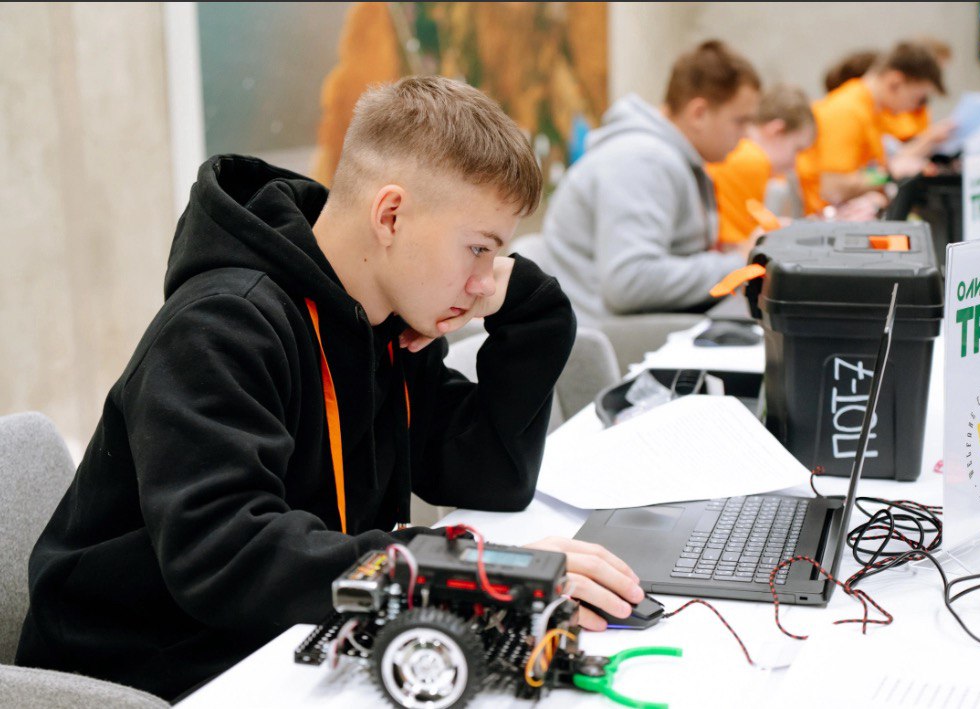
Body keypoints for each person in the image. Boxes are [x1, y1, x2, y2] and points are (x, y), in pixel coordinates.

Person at [15, 77, 644, 701]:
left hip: (284, 639)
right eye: (478, 248)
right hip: (145, 674)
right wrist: (476, 575)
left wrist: (533, 310)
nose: (485, 280)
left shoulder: (385, 322)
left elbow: (491, 476)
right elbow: (227, 555)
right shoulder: (220, 327)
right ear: (390, 215)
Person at [538, 39, 761, 326]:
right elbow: (629, 282)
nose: (747, 135)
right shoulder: (643, 160)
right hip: (607, 334)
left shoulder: (661, 156)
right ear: (699, 113)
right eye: (740, 121)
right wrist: (739, 263)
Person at [796, 41, 946, 214]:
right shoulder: (846, 111)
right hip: (826, 221)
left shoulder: (871, 109)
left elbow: (867, 171)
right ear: (895, 83)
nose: (915, 108)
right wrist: (889, 173)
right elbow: (833, 188)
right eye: (918, 99)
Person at [706, 84, 816, 244]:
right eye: (797, 149)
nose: (795, 164)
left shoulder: (744, 153)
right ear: (777, 131)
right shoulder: (751, 160)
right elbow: (740, 247)